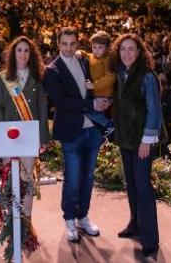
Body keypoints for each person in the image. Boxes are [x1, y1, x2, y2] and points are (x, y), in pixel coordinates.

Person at [43, 27, 108, 243]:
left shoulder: (83, 61)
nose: (69, 48)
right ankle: (69, 219)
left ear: (77, 44)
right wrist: (91, 104)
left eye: (72, 44)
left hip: (92, 129)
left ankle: (83, 216)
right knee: (72, 179)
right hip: (71, 131)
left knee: (88, 177)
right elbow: (61, 103)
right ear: (58, 45)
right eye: (64, 44)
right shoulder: (52, 70)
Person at [112, 33, 161, 256]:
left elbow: (154, 111)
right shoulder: (121, 73)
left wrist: (146, 141)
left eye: (131, 49)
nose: (127, 53)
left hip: (141, 142)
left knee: (143, 187)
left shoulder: (147, 76)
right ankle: (135, 225)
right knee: (131, 185)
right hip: (125, 139)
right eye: (123, 49)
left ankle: (150, 238)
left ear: (140, 52)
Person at [0, 36, 49, 223]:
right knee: (10, 180)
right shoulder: (3, 78)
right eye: (19, 50)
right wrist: (1, 138)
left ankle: (27, 222)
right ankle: (11, 221)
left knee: (27, 180)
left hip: (30, 137)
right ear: (13, 53)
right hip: (9, 137)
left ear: (31, 54)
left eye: (26, 50)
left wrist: (43, 137)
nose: (23, 54)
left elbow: (42, 108)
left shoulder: (38, 77)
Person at [78, 31, 115, 135]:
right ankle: (105, 128)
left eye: (100, 47)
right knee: (89, 111)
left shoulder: (108, 59)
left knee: (87, 110)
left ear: (106, 47)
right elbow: (86, 54)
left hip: (105, 93)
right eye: (94, 47)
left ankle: (109, 124)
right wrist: (80, 52)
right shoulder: (92, 56)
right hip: (96, 94)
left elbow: (110, 77)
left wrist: (94, 85)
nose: (97, 50)